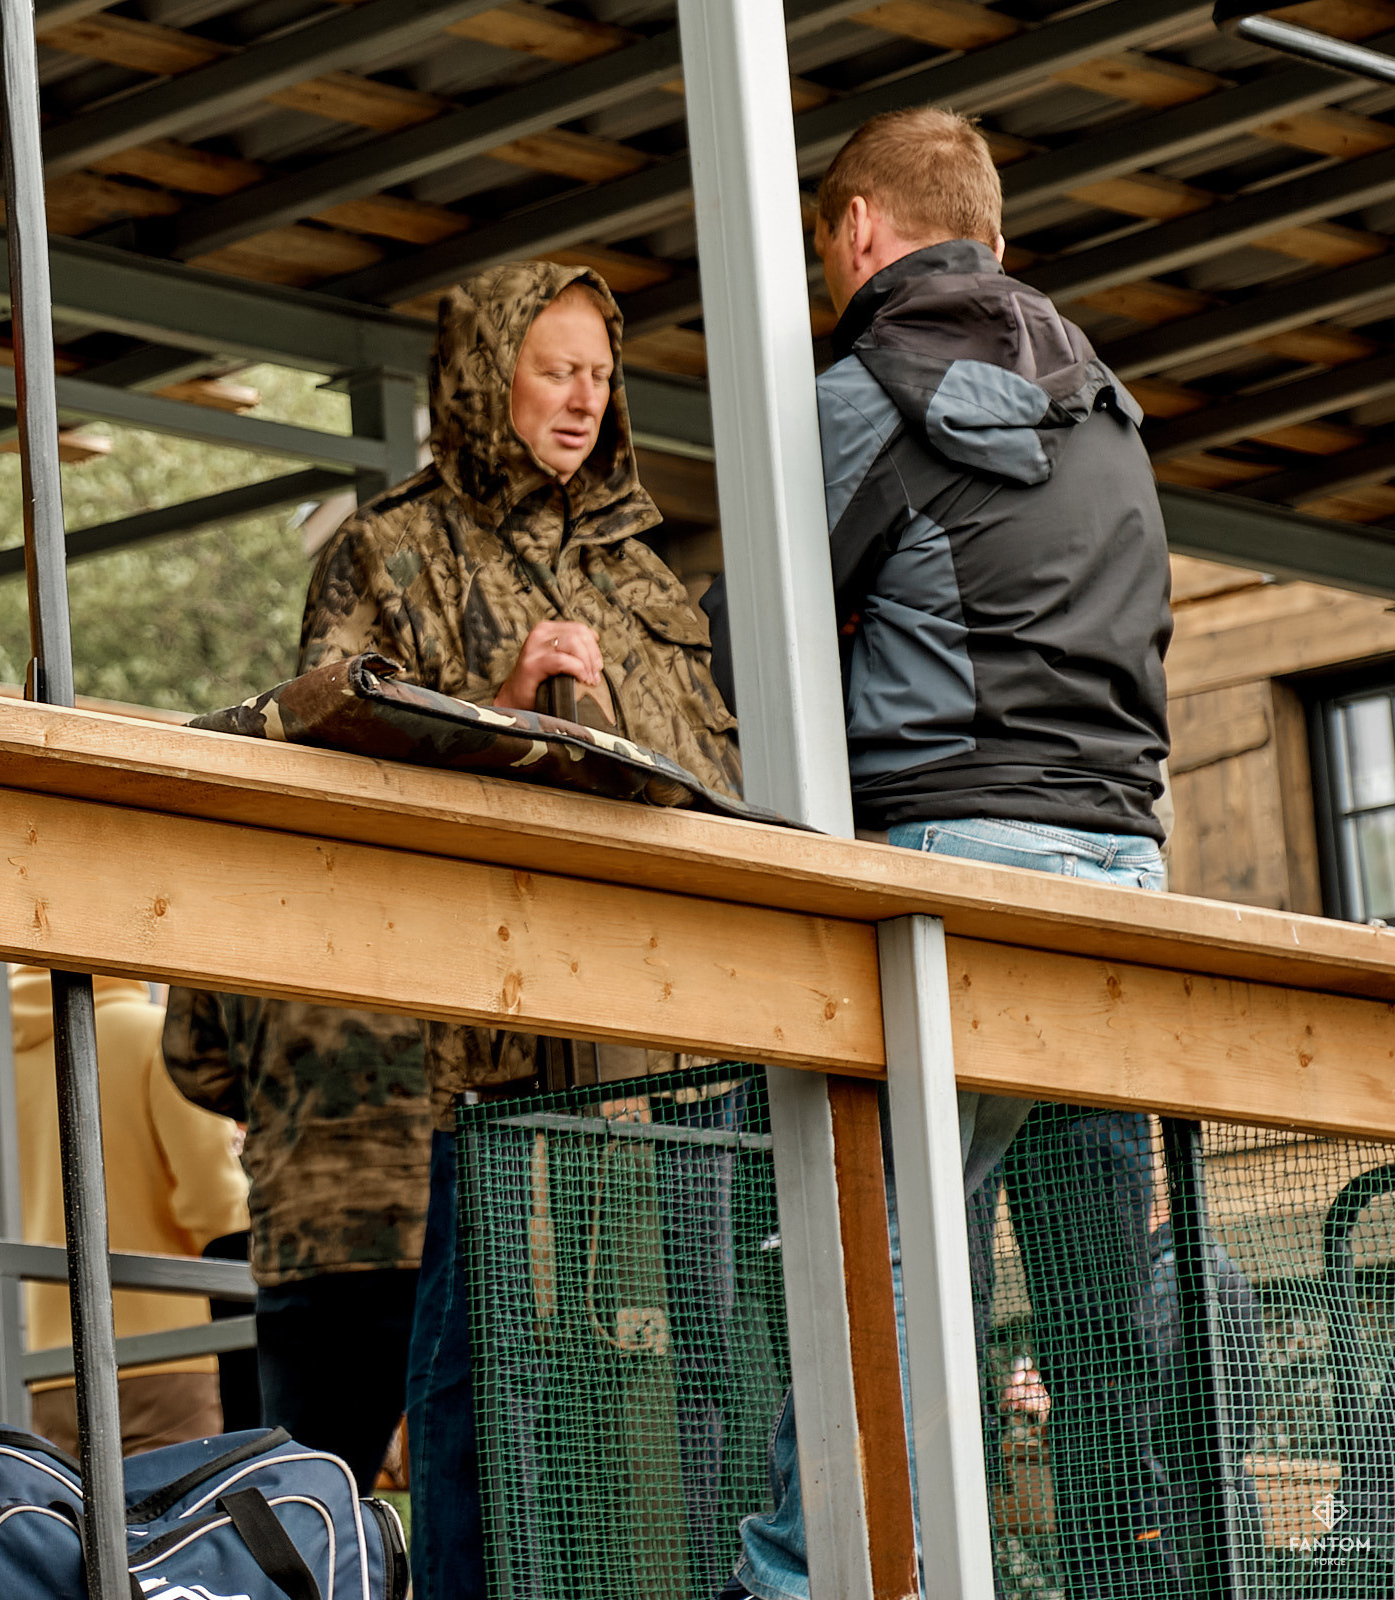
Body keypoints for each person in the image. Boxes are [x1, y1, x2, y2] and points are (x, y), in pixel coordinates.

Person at [701, 108, 1172, 1600]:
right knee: (1105, 1300)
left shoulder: (869, 390)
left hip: (958, 875)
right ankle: (1130, 1571)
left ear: (853, 235)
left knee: (882, 1249)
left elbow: (749, 641)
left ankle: (810, 1577)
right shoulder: (1106, 405)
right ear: (994, 232)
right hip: (1127, 887)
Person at [302, 260, 742, 1600]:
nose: (582, 401)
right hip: (480, 1052)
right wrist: (503, 705)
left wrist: (616, 726)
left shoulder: (644, 569)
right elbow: (334, 763)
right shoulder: (383, 551)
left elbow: (713, 788)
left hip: (665, 1041)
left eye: (601, 377)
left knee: (708, 1359)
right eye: (555, 370)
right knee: (482, 1373)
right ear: (485, 376)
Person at [0, 971, 249, 1455]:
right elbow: (216, 1208)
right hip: (171, 1355)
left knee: (67, 1529)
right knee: (183, 1527)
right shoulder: (155, 1038)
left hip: (41, 1372)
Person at [162, 993, 431, 1491]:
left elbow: (193, 1056)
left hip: (301, 1222)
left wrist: (289, 1095)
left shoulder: (233, 912)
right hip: (425, 1214)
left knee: (301, 1493)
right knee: (477, 1494)